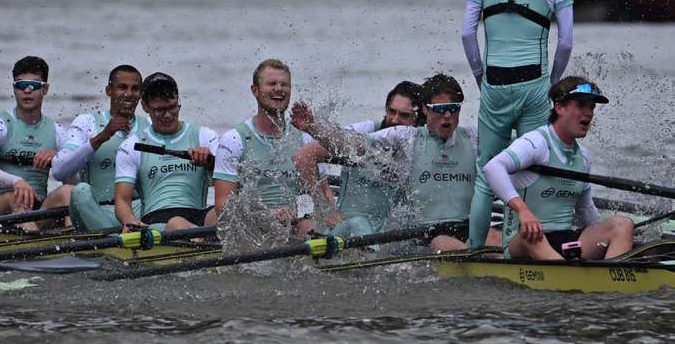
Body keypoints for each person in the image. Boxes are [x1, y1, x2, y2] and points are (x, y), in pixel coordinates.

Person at [462, 0, 575, 248]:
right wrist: (552, 85)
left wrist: (481, 77)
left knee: (486, 175)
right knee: (526, 175)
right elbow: (566, 42)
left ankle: (473, 252)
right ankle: (516, 255)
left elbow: (468, 33)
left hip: (495, 83)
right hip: (535, 87)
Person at [293, 74, 501, 251]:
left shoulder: (474, 137)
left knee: (495, 239)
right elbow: (351, 146)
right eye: (439, 109)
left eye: (453, 108)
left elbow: (518, 147)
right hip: (426, 234)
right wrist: (313, 127)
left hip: (467, 225)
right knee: (444, 243)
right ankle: (475, 258)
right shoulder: (405, 138)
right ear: (425, 110)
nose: (447, 116)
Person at [482, 76, 634, 260]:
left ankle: (611, 277)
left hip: (565, 240)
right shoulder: (536, 142)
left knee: (623, 225)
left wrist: (612, 233)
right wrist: (523, 210)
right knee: (531, 233)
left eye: (591, 107)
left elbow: (585, 210)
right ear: (559, 107)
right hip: (524, 242)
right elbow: (492, 168)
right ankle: (573, 276)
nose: (588, 113)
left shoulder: (583, 157)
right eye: (580, 105)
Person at [292, 81, 422, 238]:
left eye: (404, 115)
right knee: (359, 223)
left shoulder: (424, 144)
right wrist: (328, 210)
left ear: (418, 119)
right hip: (348, 225)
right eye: (392, 112)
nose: (394, 120)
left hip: (391, 231)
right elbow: (304, 156)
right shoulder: (366, 131)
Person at [212, 59, 315, 235]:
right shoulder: (234, 139)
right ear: (255, 91)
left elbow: (320, 196)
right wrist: (267, 215)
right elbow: (223, 207)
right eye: (271, 84)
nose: (279, 89)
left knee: (311, 226)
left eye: (284, 84)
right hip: (250, 231)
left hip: (290, 227)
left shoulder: (304, 139)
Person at [0, 55, 71, 228]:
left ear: (45, 89)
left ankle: (74, 244)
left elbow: (76, 182)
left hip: (38, 209)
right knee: (16, 197)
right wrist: (15, 182)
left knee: (69, 192)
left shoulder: (57, 132)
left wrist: (60, 158)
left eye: (34, 85)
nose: (27, 90)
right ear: (14, 88)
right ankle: (38, 247)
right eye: (21, 85)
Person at [114, 73, 218, 232]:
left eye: (172, 107)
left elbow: (228, 185)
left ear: (178, 100)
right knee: (177, 222)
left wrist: (210, 163)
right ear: (145, 107)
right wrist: (129, 220)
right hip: (156, 220)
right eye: (160, 110)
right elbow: (122, 199)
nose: (168, 115)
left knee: (227, 212)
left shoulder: (205, 136)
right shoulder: (132, 146)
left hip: (198, 214)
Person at [52, 65, 150, 230]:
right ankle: (119, 239)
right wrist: (101, 137)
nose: (129, 94)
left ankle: (128, 234)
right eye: (122, 87)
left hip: (137, 210)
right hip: (96, 209)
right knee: (79, 191)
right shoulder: (87, 122)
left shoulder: (149, 126)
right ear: (109, 90)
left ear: (141, 95)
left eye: (135, 89)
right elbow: (59, 170)